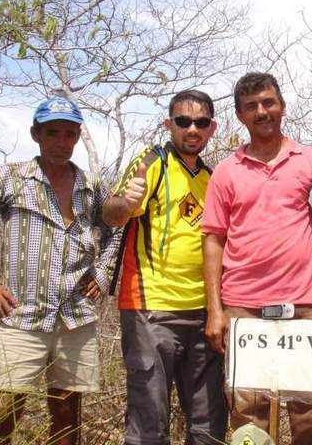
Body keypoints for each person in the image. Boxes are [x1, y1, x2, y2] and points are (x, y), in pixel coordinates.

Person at [202, 72, 312, 445]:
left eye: (268, 102)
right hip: (244, 309)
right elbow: (213, 240)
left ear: (282, 106)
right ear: (240, 115)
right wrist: (215, 310)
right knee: (249, 417)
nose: (262, 111)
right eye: (251, 106)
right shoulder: (225, 171)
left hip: (307, 304)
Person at [0, 97, 120, 445]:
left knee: (66, 417)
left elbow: (117, 227)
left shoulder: (91, 186)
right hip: (22, 316)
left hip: (75, 317)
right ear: (36, 134)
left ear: (77, 136)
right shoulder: (10, 179)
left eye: (69, 134)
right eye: (53, 133)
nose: (61, 142)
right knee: (2, 415)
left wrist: (102, 271)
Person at [102, 89, 227, 445]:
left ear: (212, 128)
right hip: (151, 310)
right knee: (149, 419)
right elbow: (111, 215)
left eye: (201, 122)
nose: (192, 129)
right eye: (183, 121)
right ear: (168, 124)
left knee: (208, 420)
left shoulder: (213, 178)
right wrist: (125, 204)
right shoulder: (151, 162)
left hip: (204, 313)